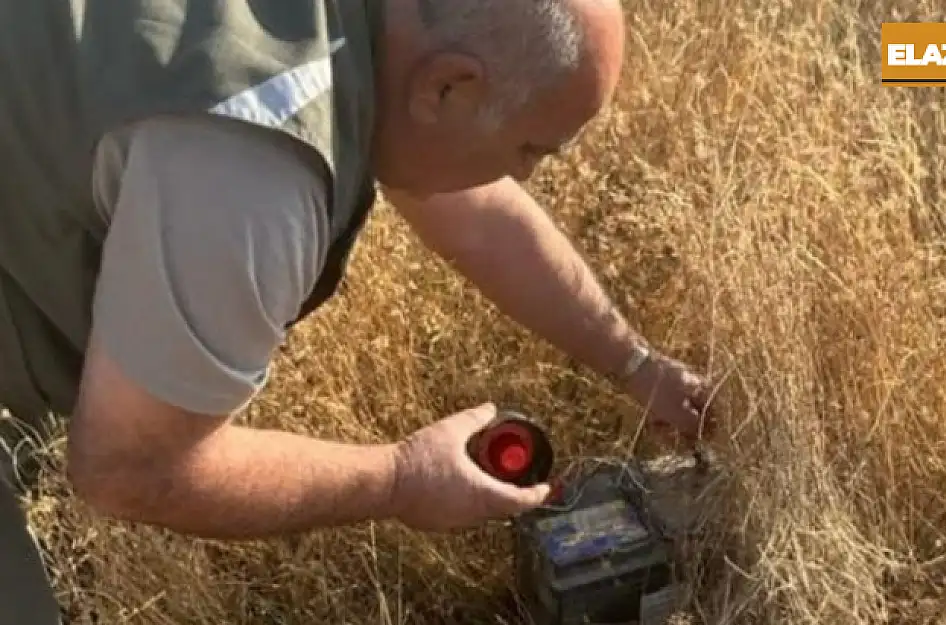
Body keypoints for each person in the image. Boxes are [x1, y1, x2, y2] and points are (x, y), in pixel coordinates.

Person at [0, 0, 714, 622]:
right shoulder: (250, 174)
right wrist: (400, 478)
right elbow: (126, 464)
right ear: (448, 86)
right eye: (529, 150)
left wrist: (635, 362)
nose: (522, 175)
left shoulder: (383, 39)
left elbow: (471, 209)